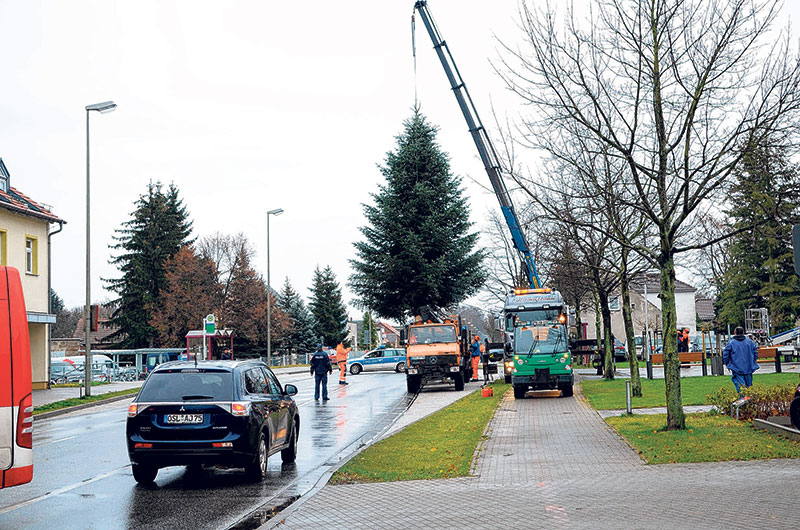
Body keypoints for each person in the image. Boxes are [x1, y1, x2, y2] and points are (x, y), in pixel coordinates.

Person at [722, 326, 759, 397]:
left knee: (741, 387)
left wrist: (729, 365)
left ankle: (743, 402)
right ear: (743, 333)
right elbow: (755, 354)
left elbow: (726, 355)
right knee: (749, 386)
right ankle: (749, 401)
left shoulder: (731, 343)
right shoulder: (750, 342)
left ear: (735, 333)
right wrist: (752, 362)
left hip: (737, 368)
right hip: (748, 367)